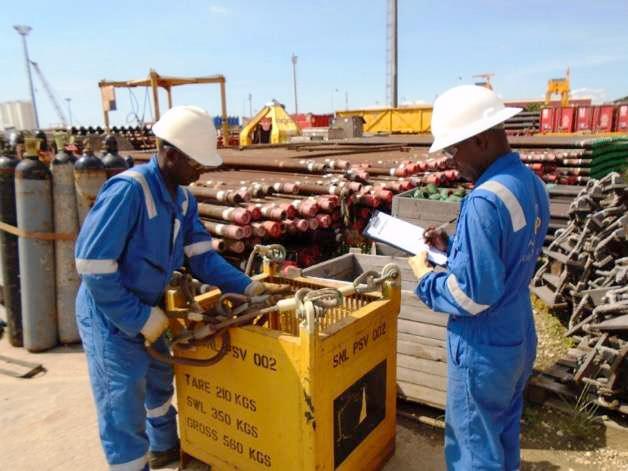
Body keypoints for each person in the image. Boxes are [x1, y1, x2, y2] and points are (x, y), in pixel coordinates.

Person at [75, 106, 264, 470]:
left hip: (152, 306)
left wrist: (249, 287)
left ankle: (163, 447)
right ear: (170, 153)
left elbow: (203, 259)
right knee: (123, 400)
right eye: (195, 163)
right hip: (111, 316)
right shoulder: (129, 192)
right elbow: (93, 268)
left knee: (160, 380)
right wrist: (138, 318)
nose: (201, 170)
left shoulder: (182, 199)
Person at [408, 85, 550, 471]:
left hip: (483, 344)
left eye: (454, 150)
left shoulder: (484, 200)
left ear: (482, 140)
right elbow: (509, 252)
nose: (453, 162)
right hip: (516, 332)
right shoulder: (529, 184)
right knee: (502, 430)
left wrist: (425, 277)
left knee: (473, 447)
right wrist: (454, 245)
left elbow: (472, 295)